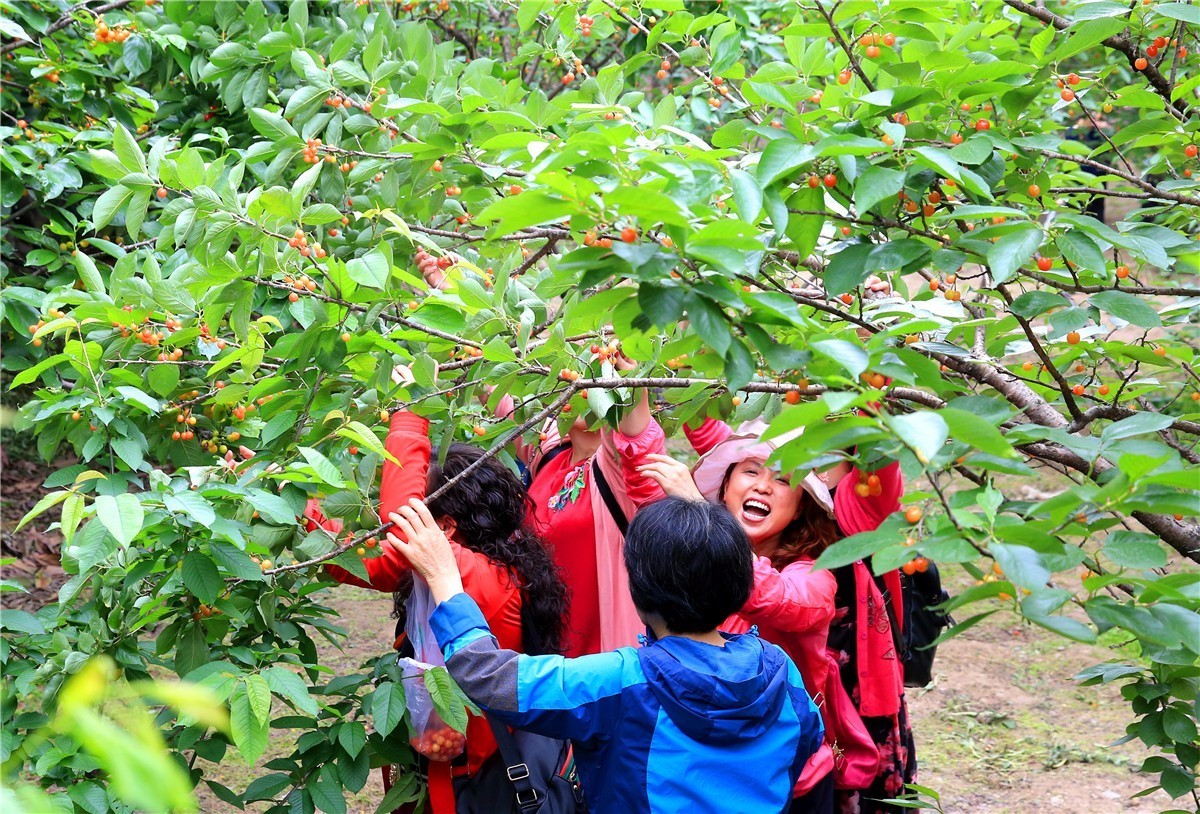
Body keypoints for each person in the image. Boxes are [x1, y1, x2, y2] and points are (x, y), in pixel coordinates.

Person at [385, 495, 825, 814]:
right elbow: (806, 741)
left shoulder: (624, 682)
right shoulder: (780, 671)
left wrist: (445, 579)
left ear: (639, 590)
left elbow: (489, 678)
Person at [304, 402, 569, 814]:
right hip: (448, 763)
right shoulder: (484, 564)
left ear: (443, 528)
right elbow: (365, 562)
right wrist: (292, 509)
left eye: (424, 512)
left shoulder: (479, 575)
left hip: (475, 774)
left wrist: (409, 416)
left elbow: (398, 531)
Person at [639, 416, 913, 814]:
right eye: (750, 472)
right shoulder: (688, 557)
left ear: (803, 506)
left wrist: (703, 516)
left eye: (785, 479)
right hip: (705, 764)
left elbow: (778, 599)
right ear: (727, 488)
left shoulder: (814, 575)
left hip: (785, 774)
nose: (764, 485)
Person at [416, 256, 665, 657]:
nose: (581, 381)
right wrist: (458, 292)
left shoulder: (621, 471)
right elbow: (498, 383)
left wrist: (630, 378)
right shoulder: (549, 455)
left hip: (608, 660)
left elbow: (637, 435)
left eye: (594, 370)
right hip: (549, 656)